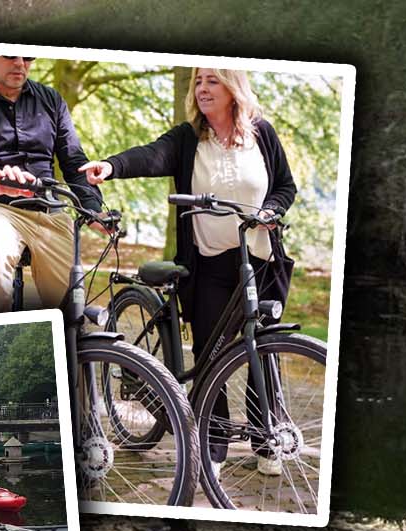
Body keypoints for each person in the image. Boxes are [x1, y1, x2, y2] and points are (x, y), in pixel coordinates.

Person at [78, 67, 297, 478]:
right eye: (198, 81)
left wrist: (273, 211)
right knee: (212, 354)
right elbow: (152, 155)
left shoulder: (262, 133)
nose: (202, 88)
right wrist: (111, 166)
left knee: (262, 351)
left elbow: (286, 185)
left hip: (262, 260)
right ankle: (212, 441)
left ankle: (266, 437)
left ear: (233, 88)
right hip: (210, 261)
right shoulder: (187, 138)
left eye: (212, 80)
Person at [0, 54, 104, 312]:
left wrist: (94, 209)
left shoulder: (52, 101)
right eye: (10, 56)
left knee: (72, 311)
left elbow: (73, 161)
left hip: (49, 210)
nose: (20, 63)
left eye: (28, 57)